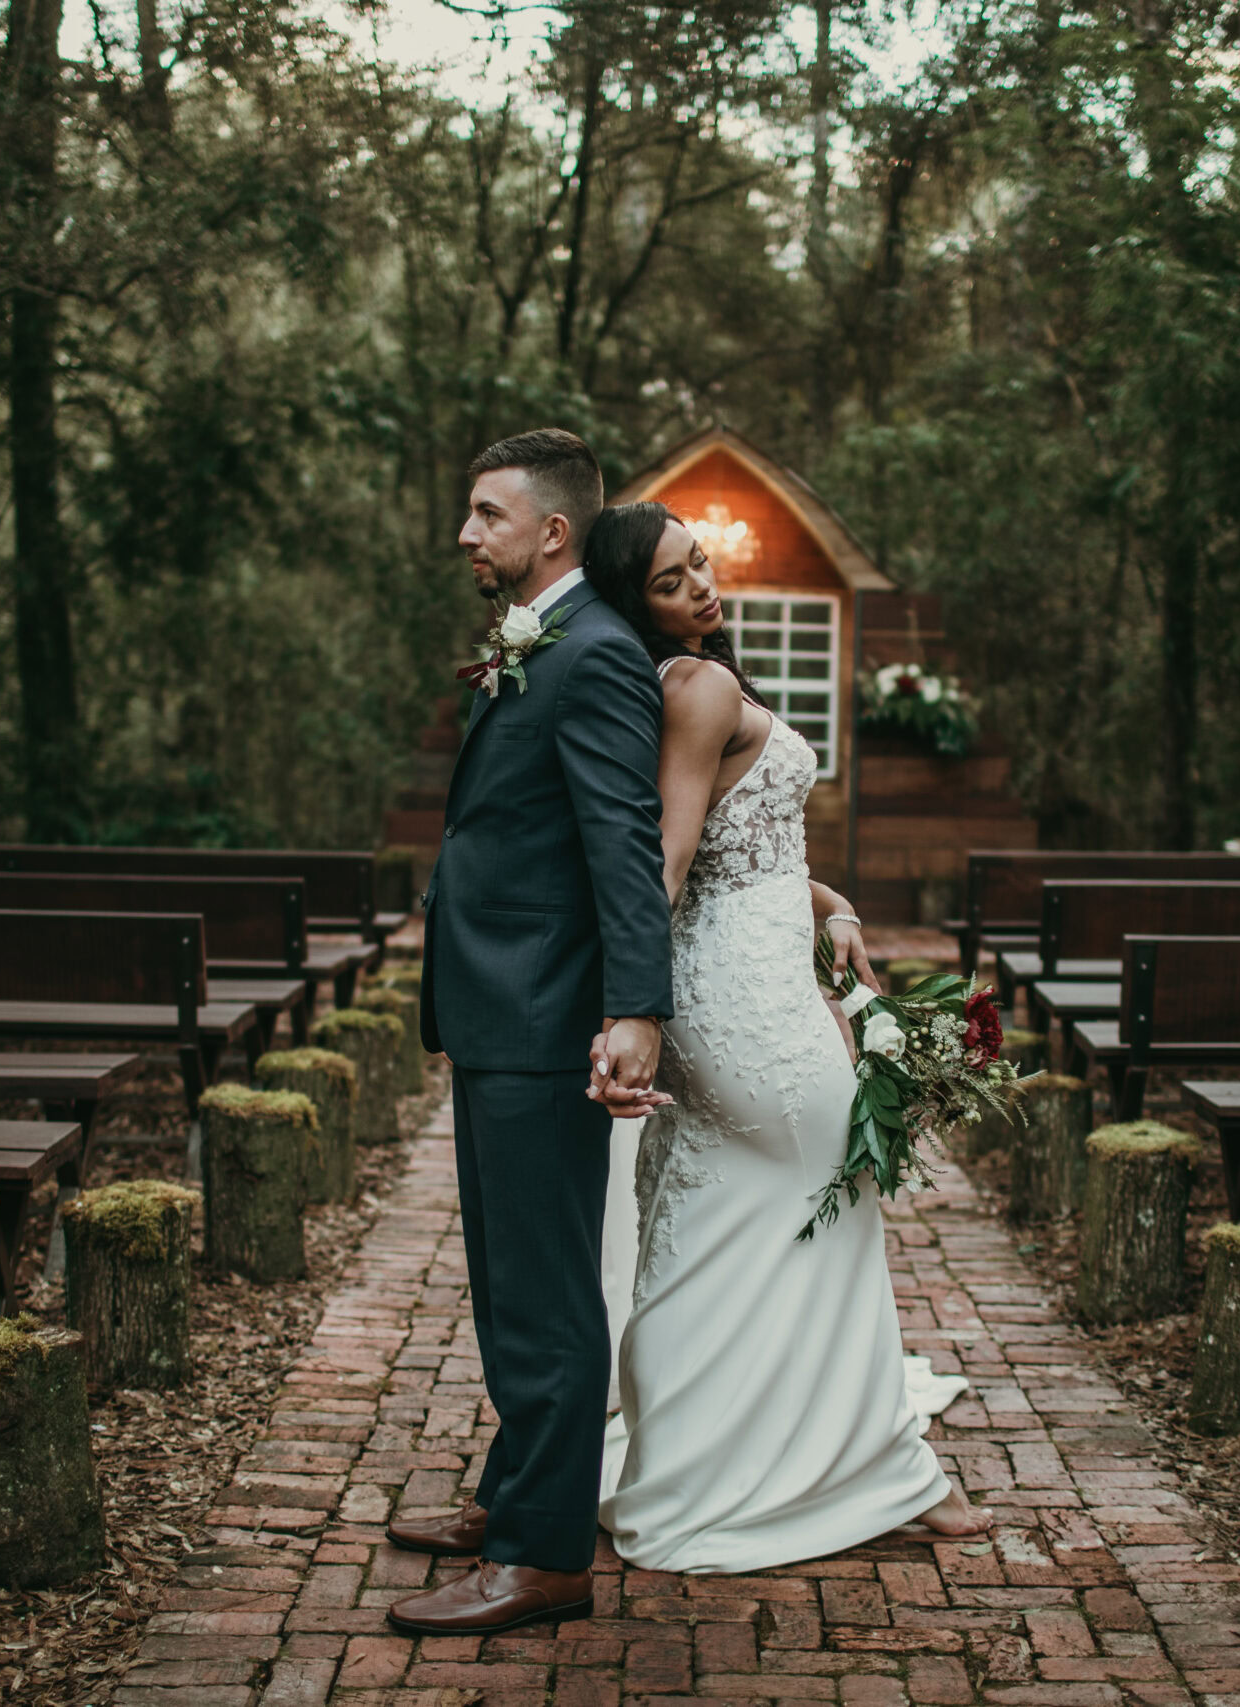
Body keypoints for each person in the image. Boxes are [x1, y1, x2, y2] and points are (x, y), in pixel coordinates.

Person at [585, 499, 995, 1574]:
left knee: (726, 1217)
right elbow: (669, 858)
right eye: (671, 582)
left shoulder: (680, 682)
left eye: (699, 565)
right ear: (638, 603)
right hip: (740, 1002)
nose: (700, 589)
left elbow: (737, 847)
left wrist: (829, 904)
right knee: (833, 1200)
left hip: (741, 975)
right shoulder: (702, 684)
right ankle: (880, 1473)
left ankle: (712, 1462)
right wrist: (629, 1004)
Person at [386, 431, 675, 1636]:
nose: (466, 534)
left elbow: (623, 844)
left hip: (548, 1009)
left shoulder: (596, 656)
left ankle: (543, 1553)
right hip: (501, 1005)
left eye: (485, 514)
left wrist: (635, 1008)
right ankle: (516, 1488)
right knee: (509, 1281)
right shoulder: (540, 641)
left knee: (546, 1293)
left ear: (550, 531)